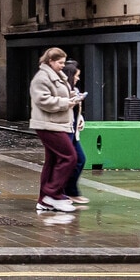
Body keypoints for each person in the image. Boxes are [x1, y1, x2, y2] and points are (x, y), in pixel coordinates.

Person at [28, 47, 85, 213]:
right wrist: (66, 103)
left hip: (56, 123)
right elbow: (42, 100)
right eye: (60, 62)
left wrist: (72, 98)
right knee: (69, 157)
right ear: (50, 61)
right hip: (48, 124)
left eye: (63, 62)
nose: (62, 65)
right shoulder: (41, 78)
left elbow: (58, 96)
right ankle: (53, 195)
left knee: (53, 160)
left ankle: (44, 200)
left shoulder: (56, 75)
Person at [60, 59, 90, 206]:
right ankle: (62, 193)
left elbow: (76, 111)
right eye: (76, 75)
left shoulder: (75, 90)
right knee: (69, 160)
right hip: (63, 129)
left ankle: (70, 191)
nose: (78, 78)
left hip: (72, 128)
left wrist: (80, 119)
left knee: (79, 159)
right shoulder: (60, 91)